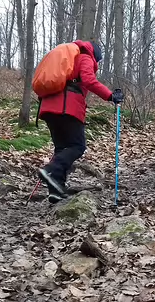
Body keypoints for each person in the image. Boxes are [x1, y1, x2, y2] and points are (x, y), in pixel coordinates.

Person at [37, 40, 123, 203]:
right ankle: (50, 171)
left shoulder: (71, 57)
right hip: (66, 107)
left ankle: (55, 190)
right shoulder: (85, 57)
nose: (96, 63)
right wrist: (110, 96)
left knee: (61, 148)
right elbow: (89, 80)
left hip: (48, 107)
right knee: (77, 146)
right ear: (95, 55)